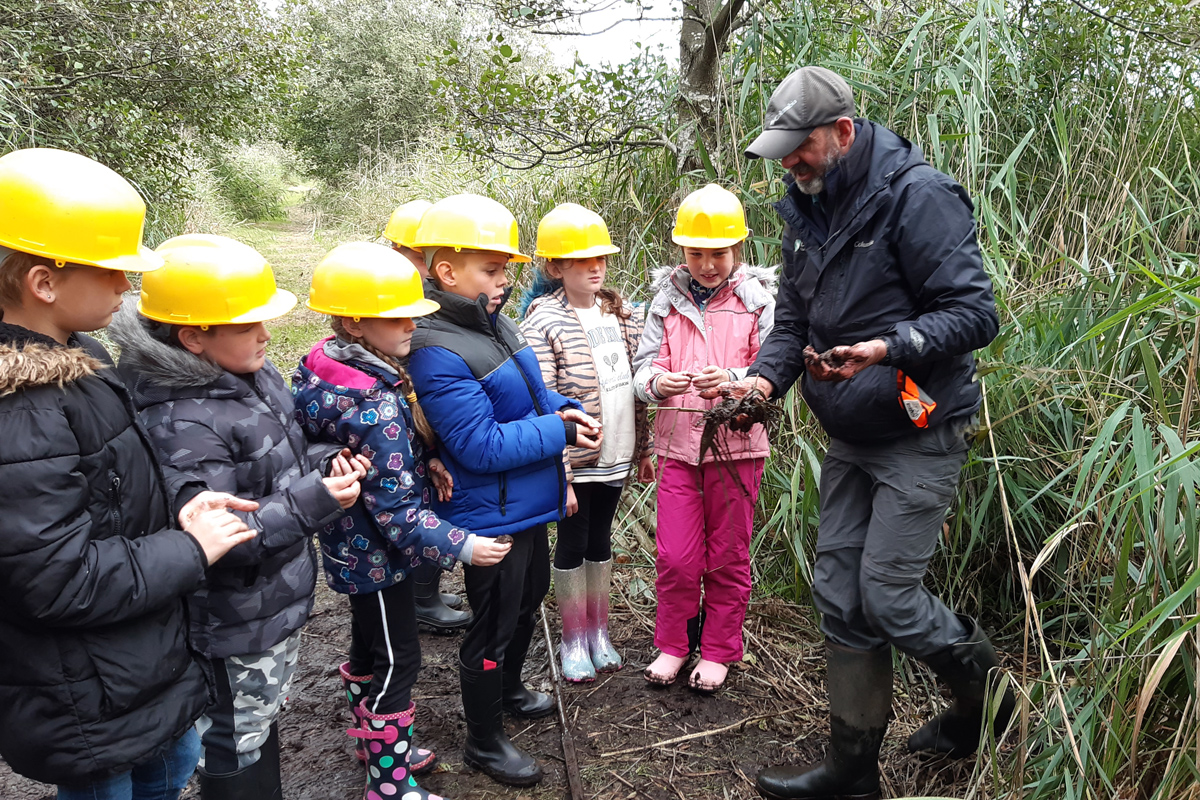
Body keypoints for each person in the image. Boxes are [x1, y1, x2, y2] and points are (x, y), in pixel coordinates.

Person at [727, 66, 1012, 800]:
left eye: (800, 148)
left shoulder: (920, 197)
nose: (790, 164)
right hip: (849, 430)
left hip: (919, 423)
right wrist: (762, 383)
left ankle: (992, 706)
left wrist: (888, 346)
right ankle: (853, 773)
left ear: (844, 133)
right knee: (840, 594)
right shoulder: (804, 208)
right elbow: (791, 321)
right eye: (781, 152)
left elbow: (975, 314)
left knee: (886, 595)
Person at [0, 148, 258, 800]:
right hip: (85, 691)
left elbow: (112, 484)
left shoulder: (77, 354)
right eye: (114, 271)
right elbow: (55, 578)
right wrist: (190, 549)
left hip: (135, 656)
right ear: (44, 282)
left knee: (169, 771)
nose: (126, 287)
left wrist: (178, 511)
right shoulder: (19, 414)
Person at [110, 233, 365, 800]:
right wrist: (319, 498)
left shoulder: (249, 374)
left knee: (259, 721)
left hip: (269, 600)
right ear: (194, 336)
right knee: (231, 736)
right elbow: (226, 536)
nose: (267, 335)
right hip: (231, 617)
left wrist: (325, 463)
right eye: (249, 325)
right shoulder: (181, 421)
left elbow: (277, 462)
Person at [293, 241, 515, 800]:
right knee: (399, 661)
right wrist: (463, 545)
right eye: (399, 316)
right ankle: (388, 783)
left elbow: (328, 443)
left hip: (347, 547)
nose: (413, 323)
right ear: (356, 321)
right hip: (379, 556)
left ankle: (375, 741)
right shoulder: (377, 402)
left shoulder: (322, 367)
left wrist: (426, 458)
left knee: (369, 647)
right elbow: (397, 515)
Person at [406, 193, 601, 787]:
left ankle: (510, 688)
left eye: (506, 267)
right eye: (492, 269)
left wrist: (564, 410)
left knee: (528, 595)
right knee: (492, 619)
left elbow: (535, 398)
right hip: (488, 512)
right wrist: (559, 429)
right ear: (447, 271)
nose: (504, 278)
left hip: (528, 500)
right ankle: (484, 742)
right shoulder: (434, 346)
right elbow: (479, 446)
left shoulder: (497, 322)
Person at [632, 184, 776, 695]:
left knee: (728, 554)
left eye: (718, 252)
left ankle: (717, 649)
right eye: (696, 253)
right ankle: (673, 643)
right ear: (681, 250)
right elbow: (643, 368)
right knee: (674, 556)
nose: (707, 263)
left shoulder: (758, 302)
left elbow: (769, 371)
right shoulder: (665, 300)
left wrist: (736, 380)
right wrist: (656, 383)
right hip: (676, 446)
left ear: (739, 247)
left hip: (737, 451)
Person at [518, 203, 653, 683]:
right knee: (572, 542)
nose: (595, 267)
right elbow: (543, 404)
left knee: (601, 539)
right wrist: (562, 474)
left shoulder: (621, 315)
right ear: (556, 267)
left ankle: (599, 633)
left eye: (601, 258)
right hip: (576, 460)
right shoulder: (542, 321)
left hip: (618, 450)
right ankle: (574, 640)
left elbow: (637, 384)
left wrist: (646, 449)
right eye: (581, 260)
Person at [383, 198, 473, 632]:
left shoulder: (432, 296)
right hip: (405, 417)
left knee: (439, 494)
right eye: (417, 255)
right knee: (416, 500)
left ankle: (426, 588)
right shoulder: (389, 293)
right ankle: (419, 595)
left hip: (429, 414)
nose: (424, 265)